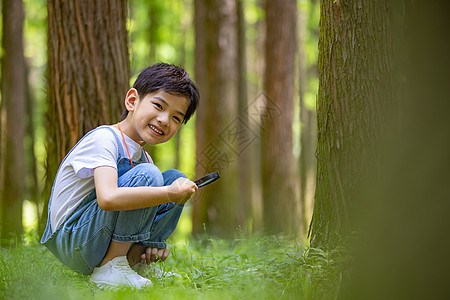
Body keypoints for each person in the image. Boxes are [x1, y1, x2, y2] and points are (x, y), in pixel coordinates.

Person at [41, 63, 200, 289]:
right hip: (73, 240)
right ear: (132, 101)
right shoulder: (105, 139)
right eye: (158, 105)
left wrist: (153, 242)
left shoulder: (144, 159)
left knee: (174, 178)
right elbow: (107, 198)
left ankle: (134, 262)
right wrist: (168, 194)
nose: (165, 120)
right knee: (153, 179)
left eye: (176, 118)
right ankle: (111, 267)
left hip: (96, 238)